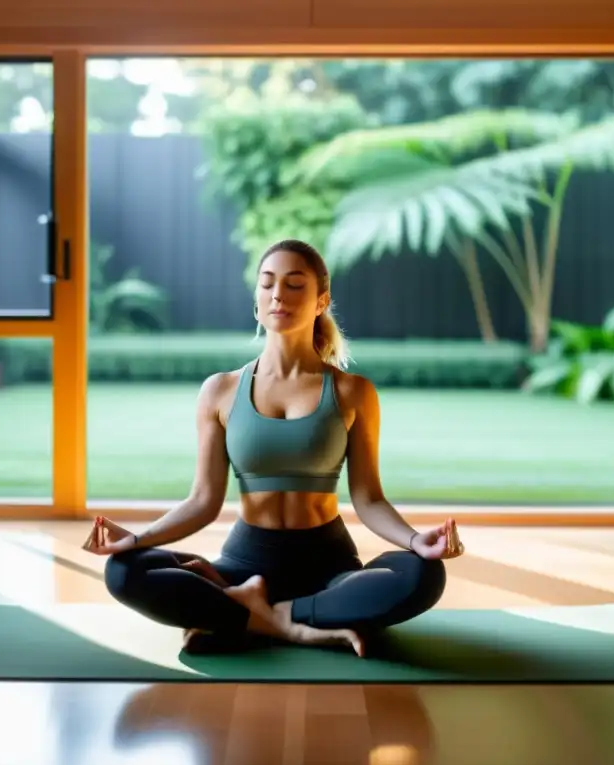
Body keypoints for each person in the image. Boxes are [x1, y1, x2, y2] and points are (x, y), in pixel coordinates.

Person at [85, 239, 464, 657]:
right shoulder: (220, 391)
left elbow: (369, 499)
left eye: (294, 284)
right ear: (257, 298)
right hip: (242, 566)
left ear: (321, 301)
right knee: (125, 571)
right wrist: (137, 539)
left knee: (422, 575)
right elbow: (203, 500)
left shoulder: (353, 392)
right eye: (267, 284)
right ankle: (297, 622)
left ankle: (255, 615)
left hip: (329, 568)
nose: (278, 294)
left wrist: (415, 541)